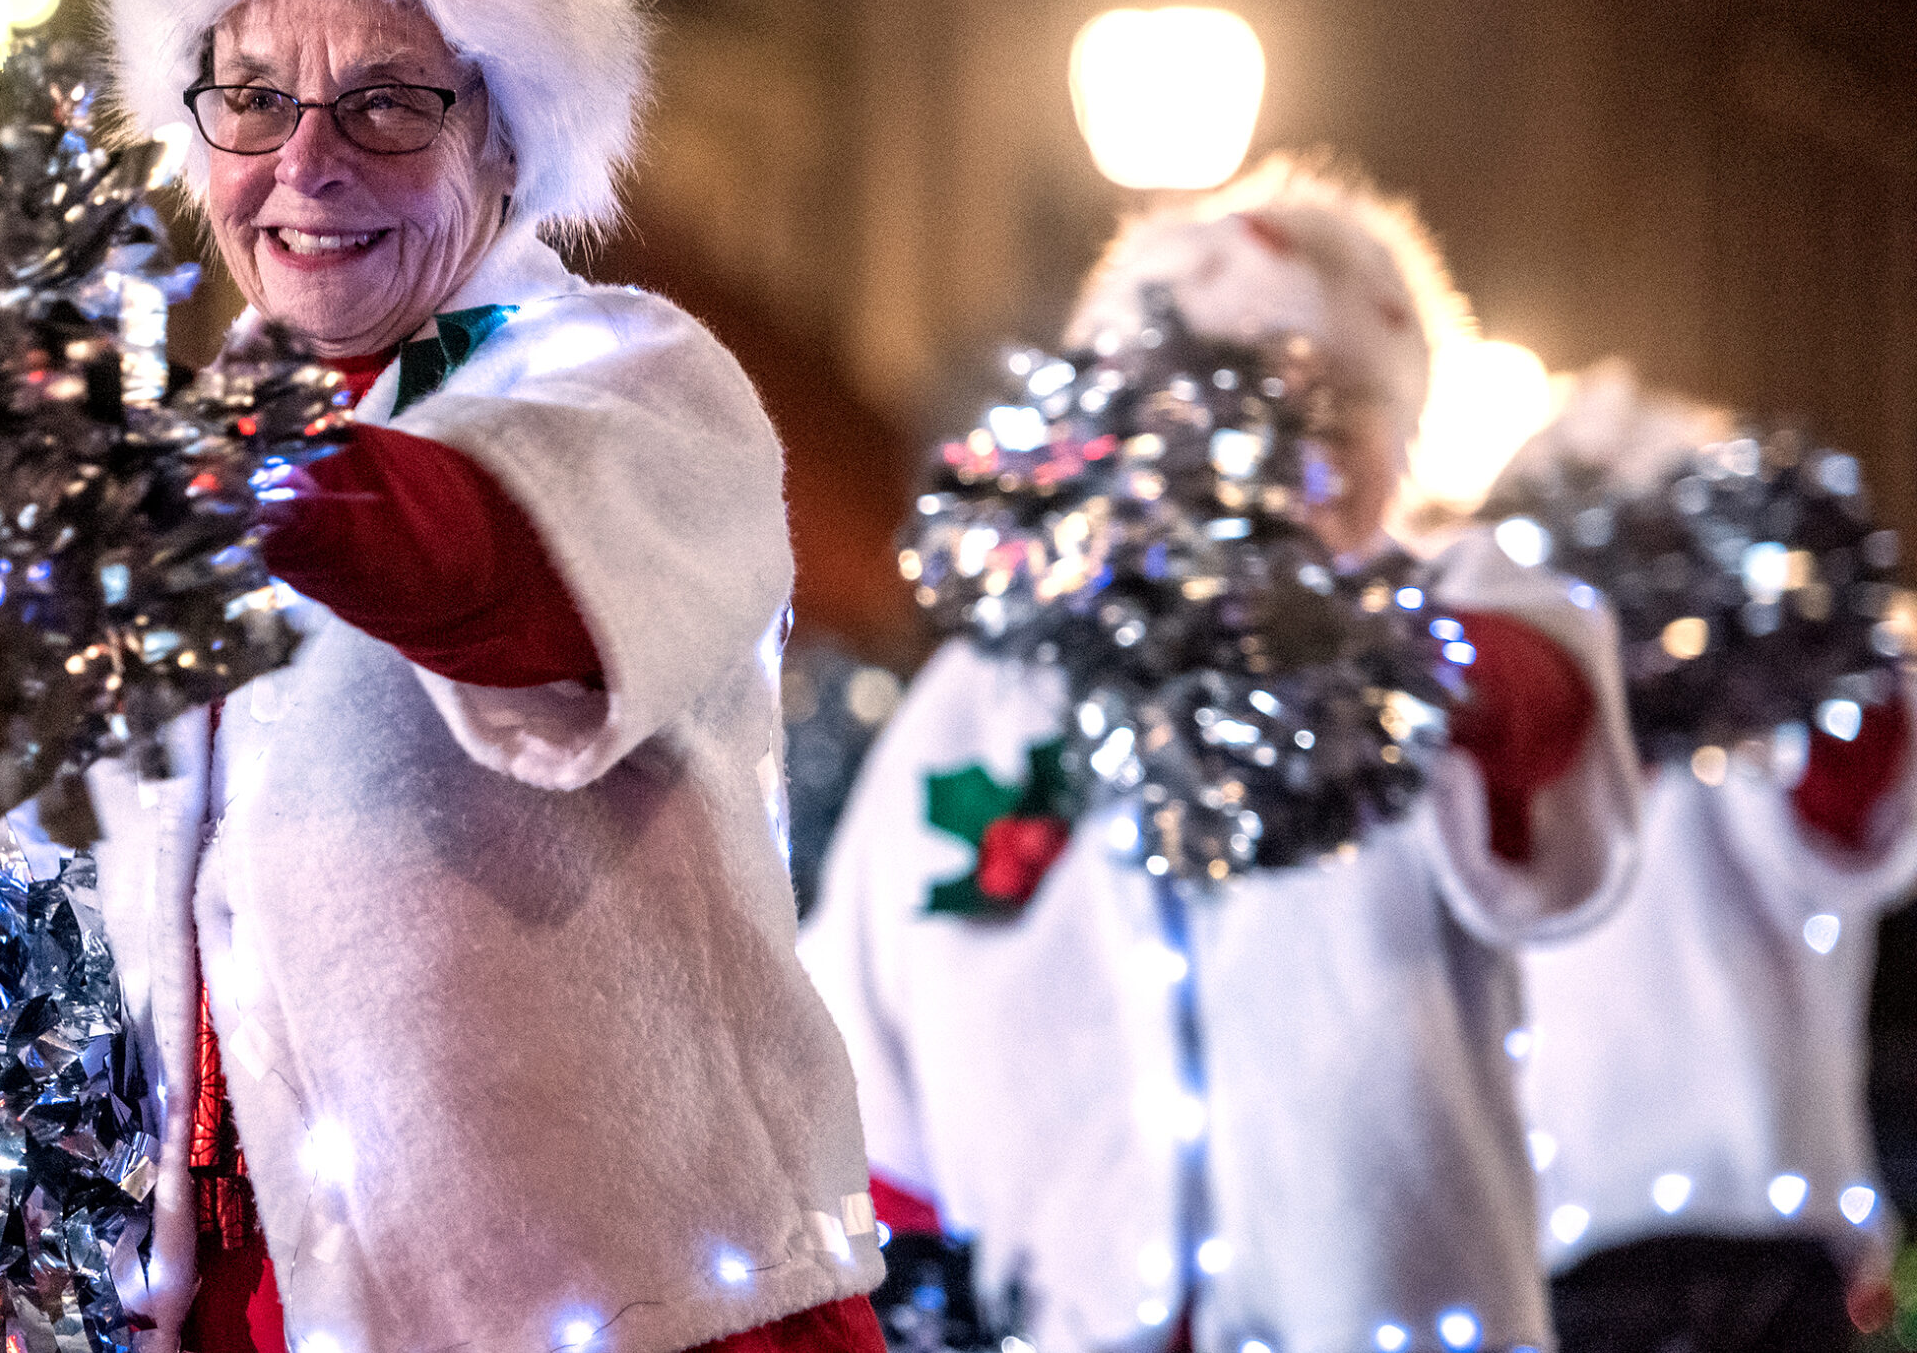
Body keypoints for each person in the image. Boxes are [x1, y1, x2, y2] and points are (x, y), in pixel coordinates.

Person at [81, 0, 884, 1353]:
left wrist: (201, 469)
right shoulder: (158, 463)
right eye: (253, 98)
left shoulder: (637, 383)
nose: (309, 165)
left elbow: (490, 569)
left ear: (508, 139)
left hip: (639, 1316)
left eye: (389, 101)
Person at [799, 158, 1645, 1353]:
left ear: (1401, 448)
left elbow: (1545, 724)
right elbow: (855, 1046)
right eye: (1207, 392)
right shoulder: (990, 695)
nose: (1274, 449)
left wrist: (1341, 643)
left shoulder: (1445, 608)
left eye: (1332, 403)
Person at [1501, 369, 1917, 1353]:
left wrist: (1811, 633)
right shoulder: (1524, 750)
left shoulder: (1777, 715)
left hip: (1767, 1237)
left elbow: (1856, 831)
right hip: (1570, 1247)